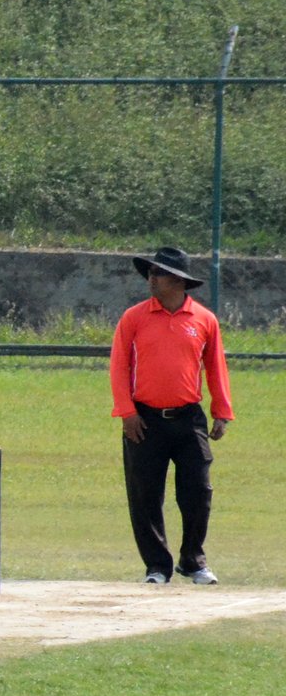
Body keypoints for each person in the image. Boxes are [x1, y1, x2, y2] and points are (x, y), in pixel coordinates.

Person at [110, 246, 233, 586]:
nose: (151, 278)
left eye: (158, 273)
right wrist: (126, 412)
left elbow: (215, 367)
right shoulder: (134, 317)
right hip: (144, 418)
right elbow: (119, 367)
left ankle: (193, 561)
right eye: (150, 272)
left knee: (198, 490)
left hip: (188, 417)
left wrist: (221, 410)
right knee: (145, 494)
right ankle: (157, 566)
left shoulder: (204, 319)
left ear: (178, 280)